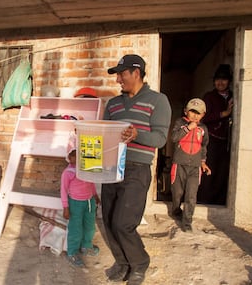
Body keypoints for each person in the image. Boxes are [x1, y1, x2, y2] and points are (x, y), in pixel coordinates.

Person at [102, 54, 172, 285]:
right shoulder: (113, 104)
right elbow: (104, 133)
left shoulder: (158, 100)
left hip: (137, 168)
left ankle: (139, 263)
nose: (118, 80)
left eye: (122, 74)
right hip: (111, 166)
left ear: (136, 73)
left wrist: (136, 134)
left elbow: (160, 139)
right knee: (109, 218)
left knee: (124, 222)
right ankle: (122, 263)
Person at [170, 98, 211, 232]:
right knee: (177, 193)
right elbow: (174, 138)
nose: (194, 115)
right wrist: (188, 128)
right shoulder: (180, 123)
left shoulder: (203, 128)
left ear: (203, 114)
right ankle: (176, 212)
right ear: (185, 111)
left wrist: (203, 162)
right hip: (179, 164)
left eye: (198, 113)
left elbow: (204, 146)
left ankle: (187, 223)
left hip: (195, 167)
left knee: (191, 195)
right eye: (192, 112)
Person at [197, 64, 233, 205]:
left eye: (224, 79)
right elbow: (203, 117)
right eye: (218, 79)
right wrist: (223, 114)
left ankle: (217, 204)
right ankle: (203, 202)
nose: (220, 82)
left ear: (229, 81)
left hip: (226, 141)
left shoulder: (232, 96)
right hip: (210, 140)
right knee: (208, 172)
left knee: (222, 173)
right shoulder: (209, 97)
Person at [60, 148, 101, 267]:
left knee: (90, 226)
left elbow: (91, 183)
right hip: (75, 204)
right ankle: (72, 252)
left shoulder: (87, 168)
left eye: (78, 155)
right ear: (69, 158)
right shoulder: (68, 173)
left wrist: (95, 195)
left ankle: (86, 246)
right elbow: (63, 190)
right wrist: (66, 207)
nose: (75, 158)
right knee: (75, 228)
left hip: (89, 202)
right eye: (72, 155)